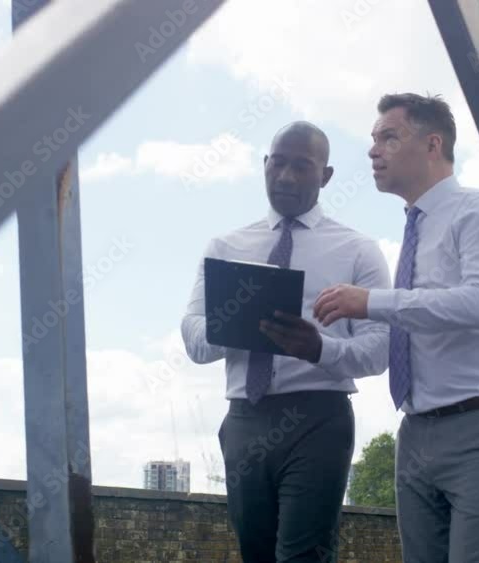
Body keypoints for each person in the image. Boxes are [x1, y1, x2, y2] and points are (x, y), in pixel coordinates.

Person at [313, 93, 479, 562]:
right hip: (416, 431)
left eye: (389, 138)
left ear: (433, 144)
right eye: (374, 139)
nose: (373, 150)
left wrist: (371, 302)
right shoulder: (416, 227)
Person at [181, 121, 391, 562]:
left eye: (302, 166)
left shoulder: (358, 250)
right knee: (255, 554)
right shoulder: (225, 246)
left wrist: (319, 349)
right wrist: (240, 325)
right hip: (245, 418)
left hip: (319, 417)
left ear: (326, 176)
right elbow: (195, 339)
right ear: (264, 165)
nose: (287, 177)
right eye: (277, 163)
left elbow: (379, 351)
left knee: (303, 556)